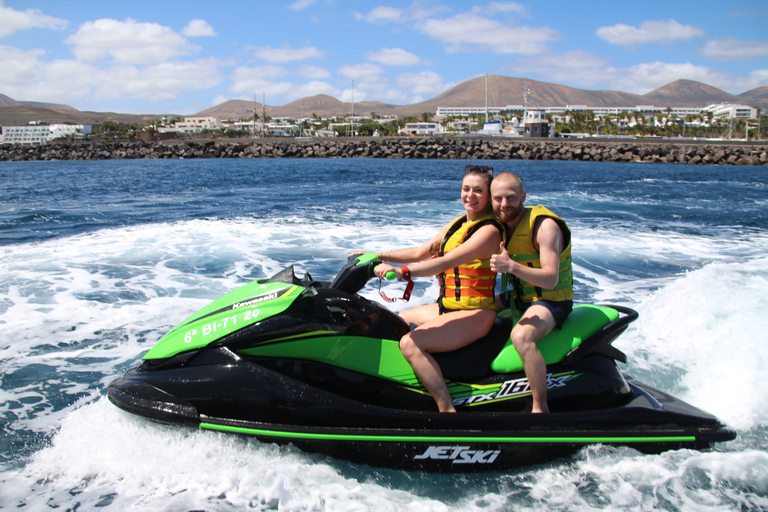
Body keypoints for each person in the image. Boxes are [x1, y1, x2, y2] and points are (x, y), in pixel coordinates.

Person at [362, 166, 503, 413]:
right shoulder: (458, 224)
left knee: (410, 343)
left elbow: (446, 262)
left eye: (478, 191)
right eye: (466, 189)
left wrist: (404, 272)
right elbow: (421, 252)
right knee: (387, 322)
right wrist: (378, 255)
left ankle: (446, 409)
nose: (470, 195)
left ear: (489, 196)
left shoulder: (489, 232)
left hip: (477, 314)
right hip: (446, 307)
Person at [489, 172, 573, 414]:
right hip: (521, 297)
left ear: (523, 197)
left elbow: (551, 278)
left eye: (511, 198)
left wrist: (511, 267)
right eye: (498, 199)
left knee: (521, 337)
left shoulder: (544, 227)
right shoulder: (500, 225)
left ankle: (539, 407)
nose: (504, 204)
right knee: (475, 308)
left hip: (552, 299)